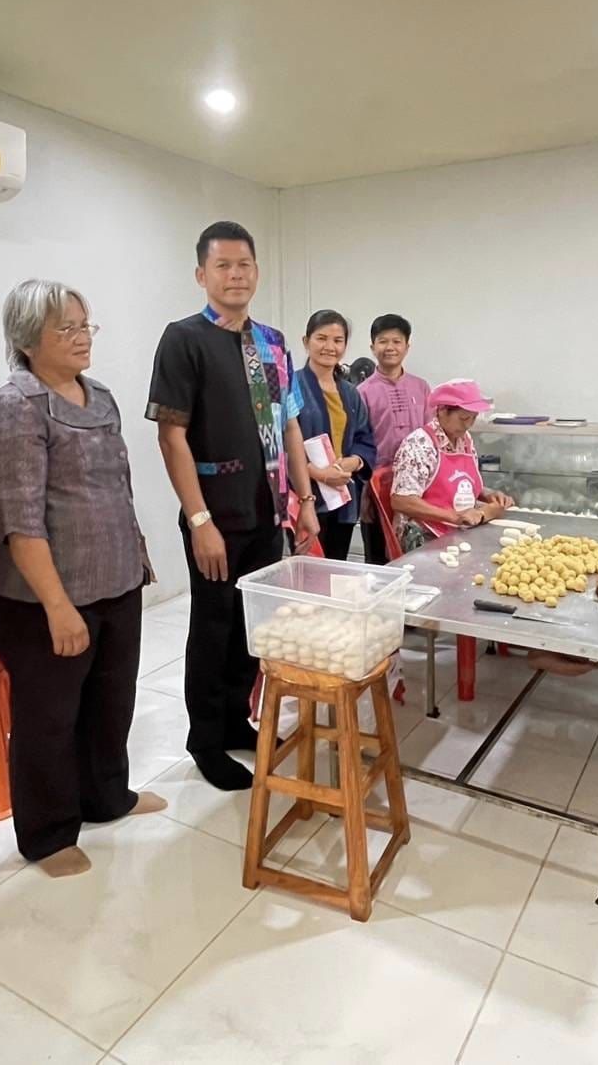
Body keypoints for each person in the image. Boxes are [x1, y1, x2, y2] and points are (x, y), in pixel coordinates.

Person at [0, 280, 166, 878]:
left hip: (114, 579)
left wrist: (136, 559)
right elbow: (20, 520)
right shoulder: (14, 406)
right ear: (28, 339)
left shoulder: (100, 396)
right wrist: (58, 607)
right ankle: (48, 834)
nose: (83, 337)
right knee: (49, 716)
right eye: (67, 328)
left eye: (87, 325)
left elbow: (118, 489)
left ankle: (107, 797)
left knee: (112, 700)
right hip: (41, 597)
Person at [146, 221, 320, 792]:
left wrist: (305, 500)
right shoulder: (184, 338)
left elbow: (289, 422)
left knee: (252, 628)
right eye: (223, 265)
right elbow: (172, 436)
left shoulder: (272, 341)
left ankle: (232, 720)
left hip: (268, 512)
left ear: (257, 271)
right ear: (202, 274)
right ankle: (204, 739)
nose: (235, 274)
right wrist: (199, 521)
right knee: (213, 627)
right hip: (214, 516)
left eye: (244, 264)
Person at [389, 378, 512, 553]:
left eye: (473, 418)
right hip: (425, 535)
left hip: (461, 529)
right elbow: (402, 500)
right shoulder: (419, 444)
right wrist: (455, 517)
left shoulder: (465, 439)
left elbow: (459, 481)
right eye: (463, 418)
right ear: (442, 411)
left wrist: (489, 494)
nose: (468, 425)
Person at [295, 310, 377, 562]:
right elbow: (279, 446)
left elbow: (365, 440)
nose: (329, 347)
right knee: (306, 575)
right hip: (304, 496)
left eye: (337, 340)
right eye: (321, 338)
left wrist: (354, 462)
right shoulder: (291, 386)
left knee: (336, 572)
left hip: (341, 498)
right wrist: (319, 473)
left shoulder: (351, 393)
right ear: (306, 341)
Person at [357, 313, 432, 563]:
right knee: (378, 558)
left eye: (397, 341)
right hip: (377, 486)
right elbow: (358, 444)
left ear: (407, 346)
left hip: (417, 487)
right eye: (383, 341)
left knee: (417, 555)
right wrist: (365, 493)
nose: (390, 347)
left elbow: (431, 437)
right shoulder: (362, 392)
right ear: (372, 347)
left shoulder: (421, 388)